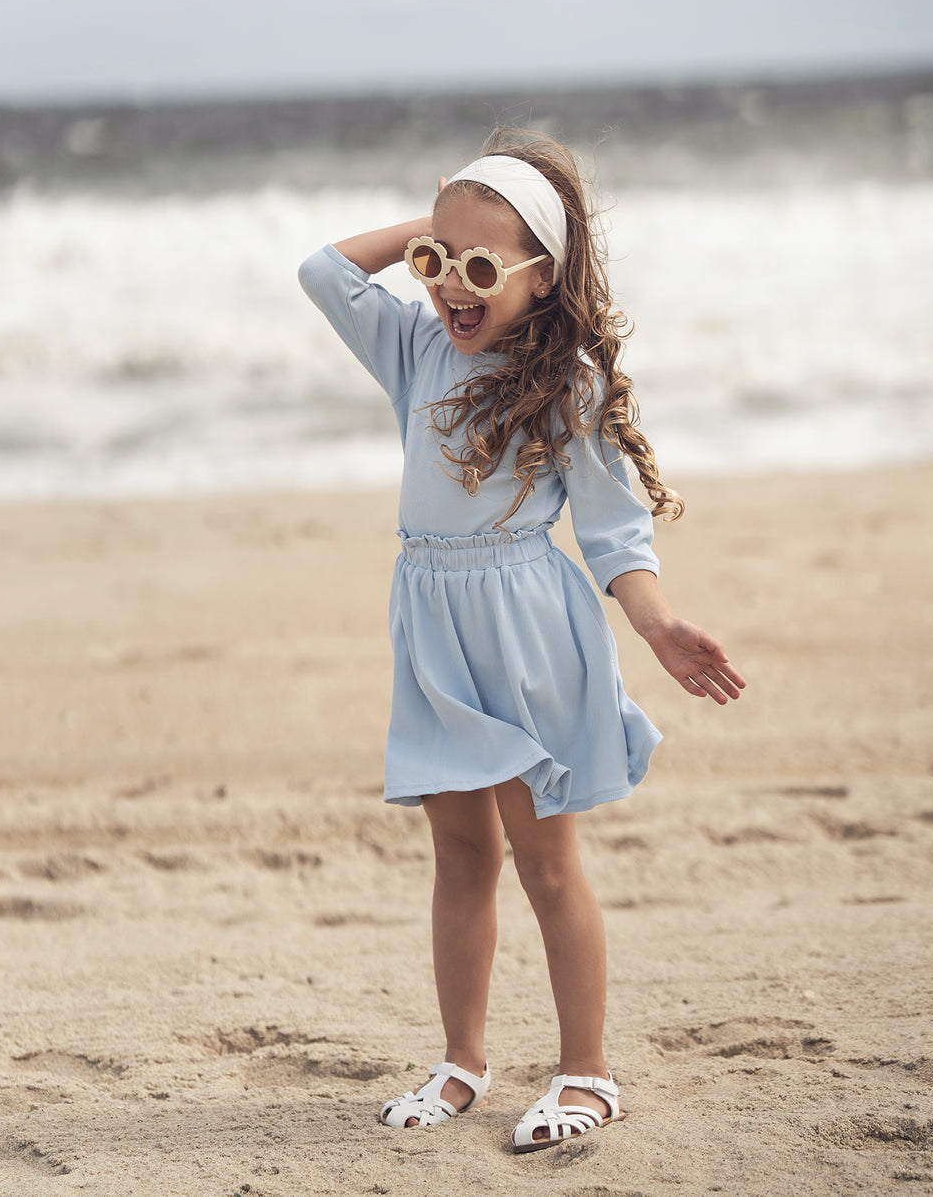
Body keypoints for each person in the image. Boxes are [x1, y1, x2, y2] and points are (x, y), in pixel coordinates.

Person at [298, 130, 744, 1152]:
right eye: (436, 263)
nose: (453, 287)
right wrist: (447, 229)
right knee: (459, 856)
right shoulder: (414, 345)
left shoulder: (563, 381)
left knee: (546, 865)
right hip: (431, 626)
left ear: (541, 278)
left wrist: (656, 622)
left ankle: (586, 1072)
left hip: (526, 627)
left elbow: (609, 530)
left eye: (484, 268)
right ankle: (460, 1060)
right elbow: (320, 272)